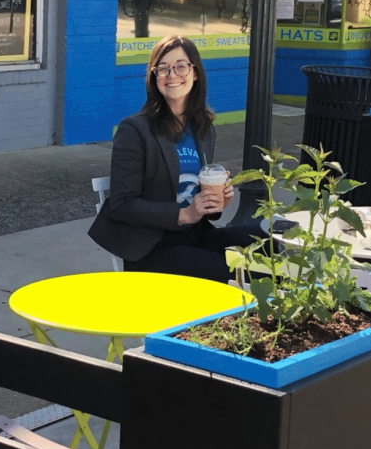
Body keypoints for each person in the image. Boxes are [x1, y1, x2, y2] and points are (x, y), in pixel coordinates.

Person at [89, 35, 262, 282]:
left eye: (181, 66)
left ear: (195, 73)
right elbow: (122, 205)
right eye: (163, 68)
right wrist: (185, 215)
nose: (172, 74)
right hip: (152, 247)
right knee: (243, 272)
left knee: (268, 243)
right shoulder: (135, 130)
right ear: (154, 76)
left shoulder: (202, 128)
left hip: (197, 236)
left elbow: (198, 199)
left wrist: (216, 203)